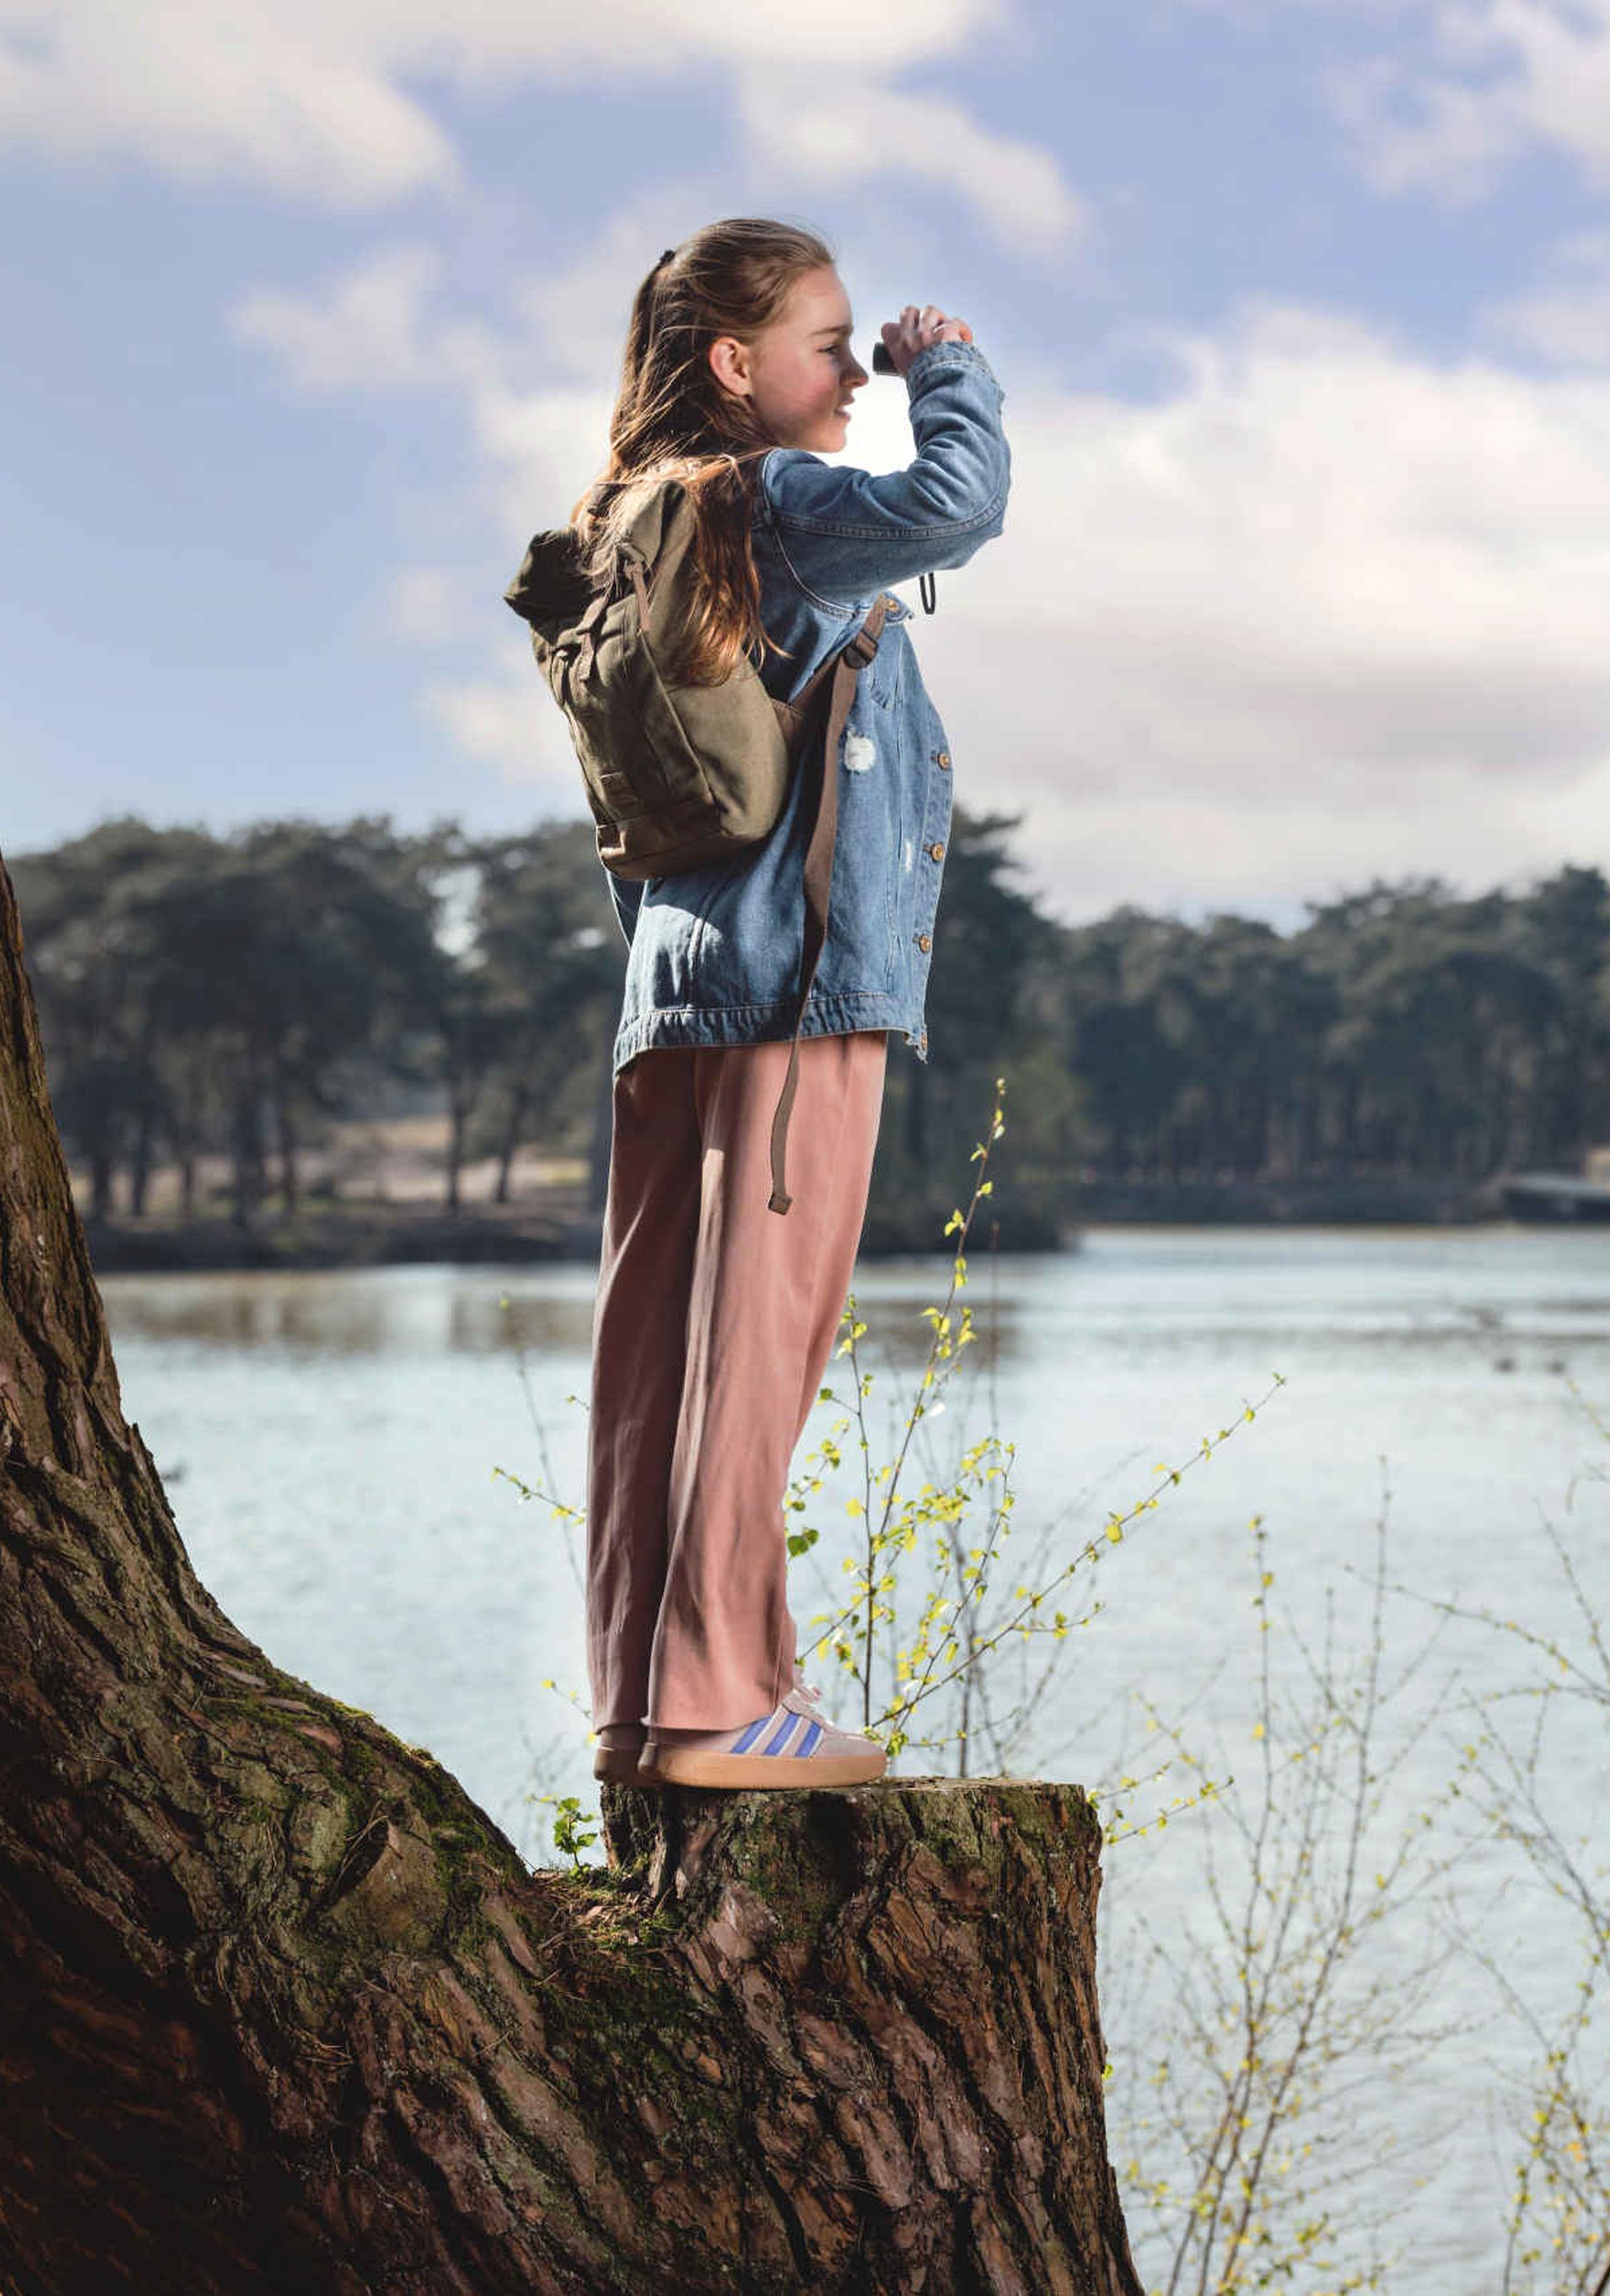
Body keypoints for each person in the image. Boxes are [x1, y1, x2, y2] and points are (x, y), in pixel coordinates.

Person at [560, 218, 1008, 1791]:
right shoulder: (768, 503)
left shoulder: (624, 519)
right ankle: (714, 1713)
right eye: (830, 342)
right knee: (751, 1360)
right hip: (795, 991)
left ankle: (654, 1703)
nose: (854, 369)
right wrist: (948, 370)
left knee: (661, 1366)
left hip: (679, 985)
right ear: (737, 366)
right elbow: (960, 504)